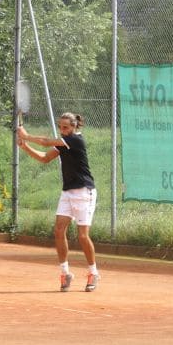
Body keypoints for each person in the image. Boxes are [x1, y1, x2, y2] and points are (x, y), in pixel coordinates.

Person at [17, 112, 100, 292]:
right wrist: (25, 146)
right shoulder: (63, 143)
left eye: (66, 127)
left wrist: (27, 135)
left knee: (83, 236)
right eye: (60, 127)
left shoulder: (76, 140)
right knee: (58, 230)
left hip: (85, 192)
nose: (62, 130)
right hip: (67, 193)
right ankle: (65, 273)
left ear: (74, 127)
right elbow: (45, 158)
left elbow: (47, 142)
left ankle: (93, 272)